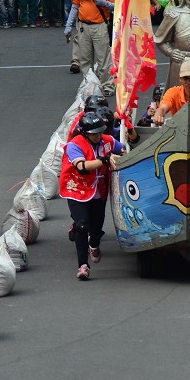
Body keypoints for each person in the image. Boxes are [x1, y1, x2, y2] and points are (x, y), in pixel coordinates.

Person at [60, 112, 124, 281]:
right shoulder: (74, 145)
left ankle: (94, 243)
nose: (98, 136)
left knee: (96, 229)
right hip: (77, 189)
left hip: (98, 191)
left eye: (100, 132)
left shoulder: (108, 141)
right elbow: (82, 166)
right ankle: (83, 266)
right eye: (93, 133)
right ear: (85, 133)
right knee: (82, 225)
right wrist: (105, 160)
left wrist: (130, 131)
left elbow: (124, 149)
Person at [64, 0, 115, 94]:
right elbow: (74, 8)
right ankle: (88, 86)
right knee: (85, 59)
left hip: (100, 26)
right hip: (83, 26)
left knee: (103, 58)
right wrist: (68, 25)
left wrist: (104, 3)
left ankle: (107, 86)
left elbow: (116, 7)